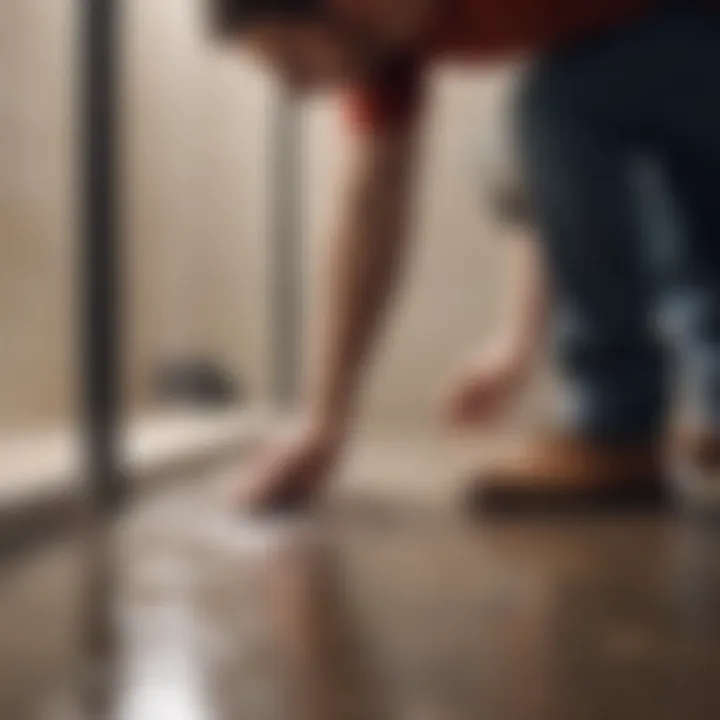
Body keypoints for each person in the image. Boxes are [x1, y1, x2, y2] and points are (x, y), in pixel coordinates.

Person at [210, 0, 720, 512]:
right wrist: (324, 422)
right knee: (574, 122)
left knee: (560, 107)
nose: (300, 94)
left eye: (291, 66)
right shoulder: (386, 47)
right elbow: (371, 211)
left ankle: (616, 430)